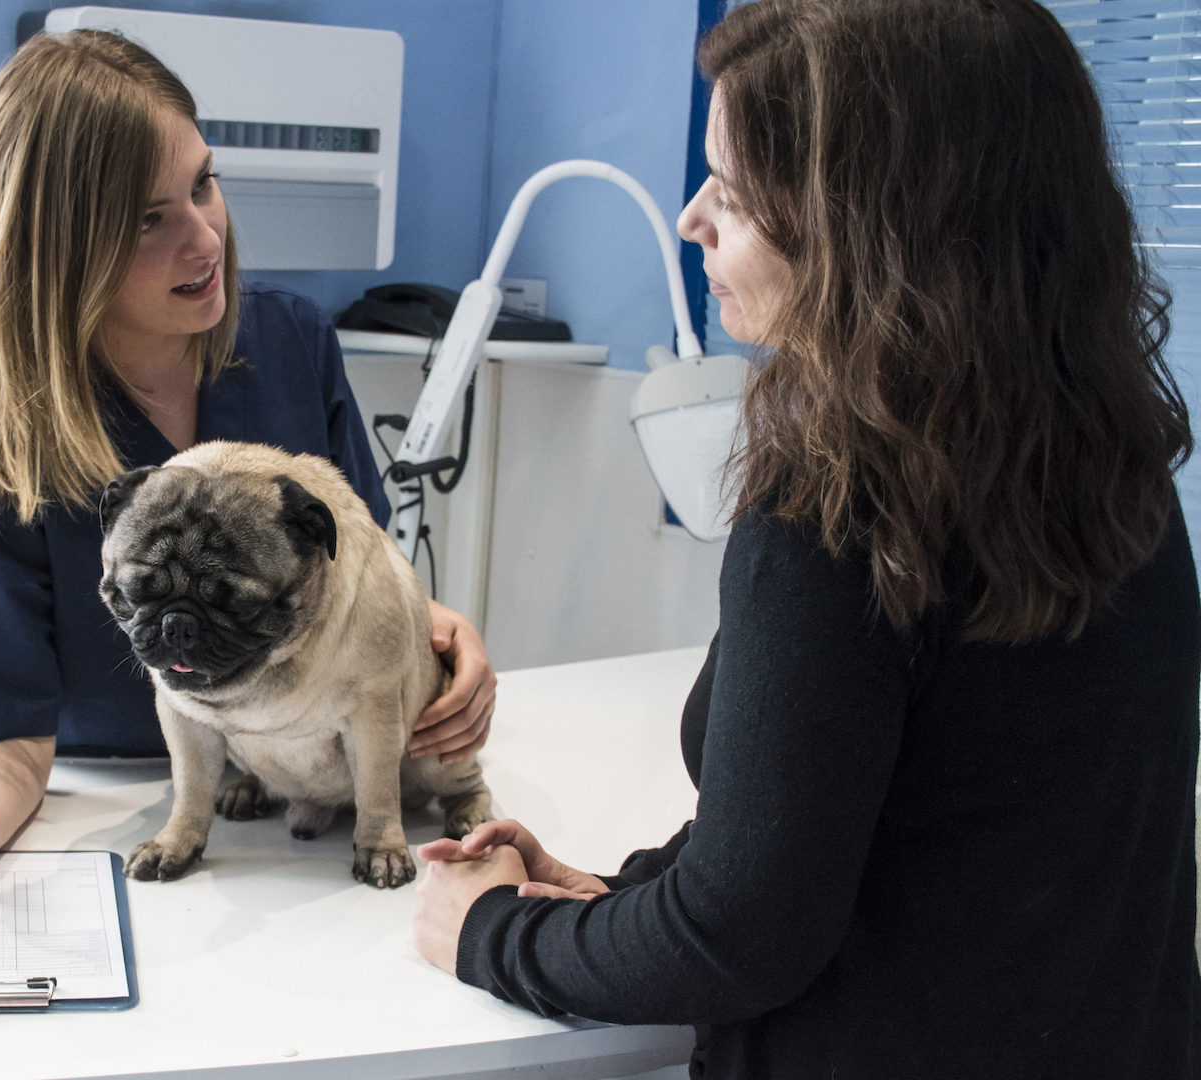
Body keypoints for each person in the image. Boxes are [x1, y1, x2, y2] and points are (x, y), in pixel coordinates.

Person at [411, 1, 1200, 1076]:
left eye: (732, 193)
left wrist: (490, 933)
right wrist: (615, 896)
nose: (694, 219)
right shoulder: (1114, 460)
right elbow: (892, 831)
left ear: (863, 226)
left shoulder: (842, 503)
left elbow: (740, 936)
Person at [0, 29, 497, 898]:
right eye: (149, 221)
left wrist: (444, 636)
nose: (205, 240)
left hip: (309, 805)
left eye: (203, 185)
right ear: (56, 250)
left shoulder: (290, 342)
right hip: (115, 807)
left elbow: (360, 571)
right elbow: (1, 739)